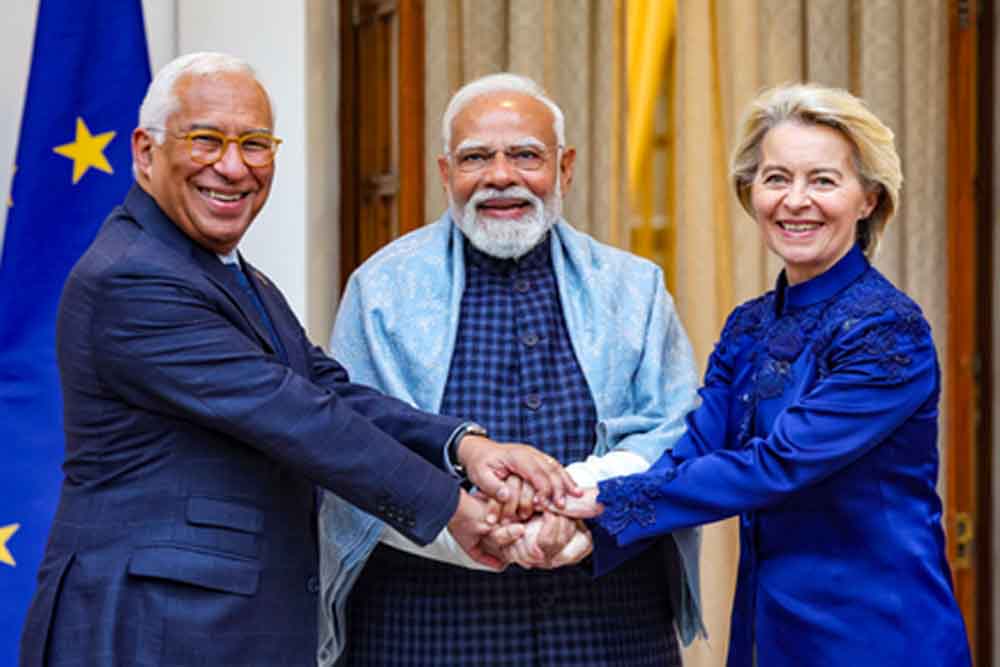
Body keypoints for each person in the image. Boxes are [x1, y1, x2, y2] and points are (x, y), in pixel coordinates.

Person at [18, 53, 575, 667]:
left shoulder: (225, 272)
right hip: (148, 630)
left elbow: (328, 390)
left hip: (219, 628)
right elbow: (299, 418)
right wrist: (454, 509)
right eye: (206, 140)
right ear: (146, 152)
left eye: (255, 144)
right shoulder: (134, 277)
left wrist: (466, 446)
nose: (233, 167)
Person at [561, 83, 972, 666]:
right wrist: (577, 511)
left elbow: (778, 465)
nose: (795, 201)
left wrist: (603, 502)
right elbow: (696, 449)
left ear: (868, 199)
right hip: (767, 626)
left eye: (823, 181)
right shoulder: (749, 325)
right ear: (750, 193)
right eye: (776, 178)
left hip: (877, 632)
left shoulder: (887, 329)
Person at [320, 73, 702, 667]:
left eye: (526, 155)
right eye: (476, 157)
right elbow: (351, 447)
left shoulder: (633, 288)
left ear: (565, 168)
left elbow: (675, 432)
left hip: (608, 630)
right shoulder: (382, 290)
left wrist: (583, 512)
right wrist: (468, 524)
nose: (500, 176)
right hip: (424, 631)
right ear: (446, 173)